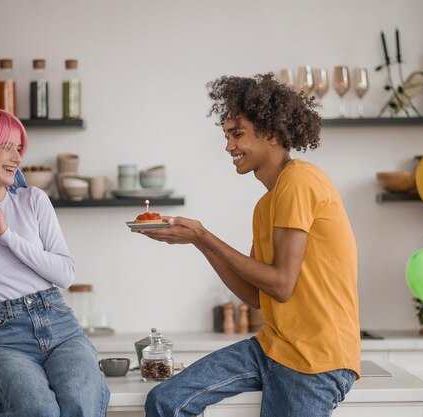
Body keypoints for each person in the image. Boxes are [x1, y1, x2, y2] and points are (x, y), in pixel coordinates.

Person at [138, 73, 360, 417]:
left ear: (270, 133)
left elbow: (281, 285)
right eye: (227, 135)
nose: (229, 146)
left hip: (315, 358)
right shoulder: (266, 205)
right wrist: (200, 243)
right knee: (166, 401)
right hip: (273, 346)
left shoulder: (299, 181)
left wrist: (203, 235)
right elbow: (258, 296)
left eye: (237, 134)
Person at [0, 106, 110, 417]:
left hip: (60, 325)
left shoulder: (33, 200)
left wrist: (8, 236)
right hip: (5, 340)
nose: (17, 157)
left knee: (81, 401)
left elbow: (65, 273)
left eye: (18, 147)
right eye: (6, 147)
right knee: (40, 410)